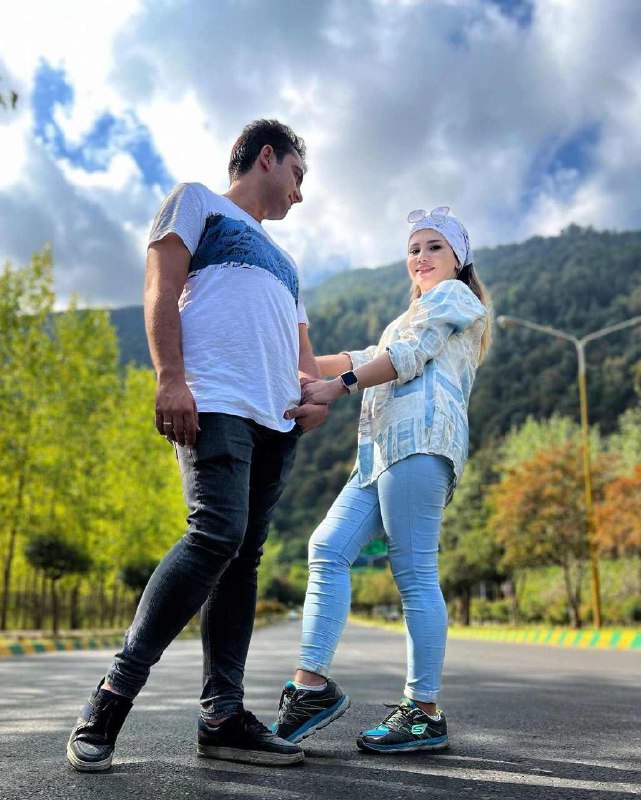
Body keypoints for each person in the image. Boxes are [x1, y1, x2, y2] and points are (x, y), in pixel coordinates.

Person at [67, 119, 328, 772]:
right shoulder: (197, 202)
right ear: (266, 157)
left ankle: (222, 717)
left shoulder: (289, 264)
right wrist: (170, 377)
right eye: (297, 174)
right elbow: (160, 283)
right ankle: (111, 697)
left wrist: (316, 394)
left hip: (277, 421)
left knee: (242, 559)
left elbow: (302, 353)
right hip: (214, 399)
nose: (299, 193)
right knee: (215, 534)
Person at [273, 206, 491, 754]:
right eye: (414, 249)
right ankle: (311, 688)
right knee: (326, 547)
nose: (421, 257)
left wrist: (337, 386)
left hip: (421, 442)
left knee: (414, 574)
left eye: (434, 247)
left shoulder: (455, 298)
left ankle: (424, 712)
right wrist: (305, 366)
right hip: (378, 454)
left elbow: (406, 357)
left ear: (459, 260)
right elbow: (373, 354)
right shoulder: (410, 313)